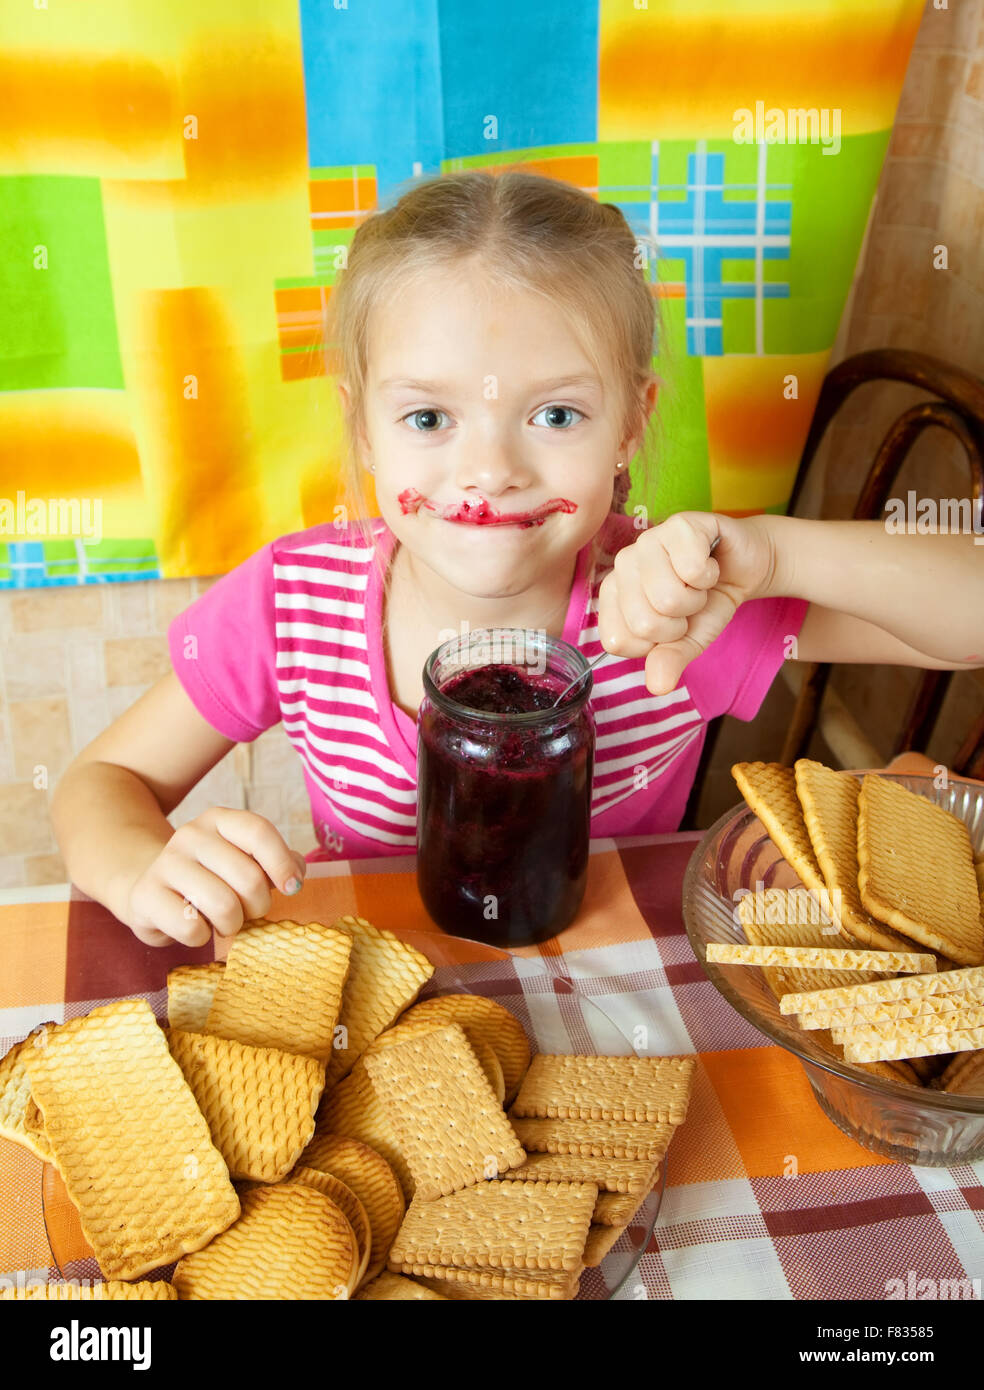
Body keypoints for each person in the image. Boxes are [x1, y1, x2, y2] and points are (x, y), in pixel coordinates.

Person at [50, 170, 984, 948]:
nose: (489, 472)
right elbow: (103, 785)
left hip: (619, 995)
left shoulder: (678, 608)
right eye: (427, 418)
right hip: (377, 1000)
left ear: (631, 424)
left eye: (557, 415)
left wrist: (772, 551)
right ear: (363, 429)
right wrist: (141, 864)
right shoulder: (292, 605)